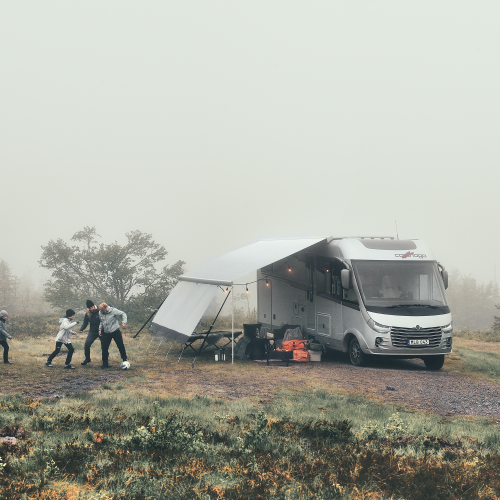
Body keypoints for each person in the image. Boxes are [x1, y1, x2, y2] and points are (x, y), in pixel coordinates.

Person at [98, 302, 128, 369]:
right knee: (104, 348)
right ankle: (105, 363)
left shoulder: (113, 310)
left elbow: (123, 314)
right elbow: (101, 321)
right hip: (106, 332)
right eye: (103, 311)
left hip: (115, 331)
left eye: (105, 310)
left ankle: (125, 360)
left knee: (120, 346)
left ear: (107, 307)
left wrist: (124, 323)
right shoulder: (100, 313)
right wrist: (100, 329)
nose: (105, 312)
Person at [79, 300, 100, 365]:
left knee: (104, 346)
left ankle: (105, 361)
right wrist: (81, 329)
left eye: (92, 307)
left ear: (94, 306)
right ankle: (87, 359)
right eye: (89, 308)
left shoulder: (99, 311)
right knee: (87, 345)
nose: (91, 309)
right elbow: (85, 323)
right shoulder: (87, 314)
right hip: (92, 332)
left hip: (101, 331)